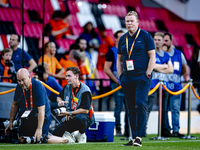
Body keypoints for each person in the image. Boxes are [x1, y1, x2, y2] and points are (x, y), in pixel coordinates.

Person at [117, 11, 156, 147]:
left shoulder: (145, 36)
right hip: (127, 77)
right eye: (127, 21)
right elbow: (119, 58)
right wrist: (120, 75)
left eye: (132, 21)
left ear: (137, 22)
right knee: (130, 108)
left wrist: (148, 73)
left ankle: (139, 136)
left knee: (140, 104)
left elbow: (152, 56)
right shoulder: (122, 38)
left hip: (141, 76)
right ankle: (133, 137)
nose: (129, 23)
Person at [5, 68, 51, 143]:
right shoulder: (19, 87)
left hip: (42, 117)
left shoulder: (38, 87)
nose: (21, 83)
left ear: (29, 77)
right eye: (19, 81)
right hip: (28, 117)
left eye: (23, 80)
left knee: (40, 140)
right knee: (21, 140)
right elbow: (14, 105)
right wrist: (11, 122)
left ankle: (65, 139)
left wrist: (39, 128)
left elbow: (41, 111)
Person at [52, 67, 95, 143]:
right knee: (55, 134)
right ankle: (69, 135)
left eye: (69, 76)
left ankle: (81, 134)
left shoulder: (85, 90)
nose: (67, 78)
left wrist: (69, 113)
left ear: (76, 76)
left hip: (84, 118)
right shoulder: (67, 87)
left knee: (80, 118)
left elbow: (85, 110)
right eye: (66, 76)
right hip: (70, 116)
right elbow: (59, 97)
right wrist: (60, 102)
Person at [146, 32, 173, 136]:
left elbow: (171, 70)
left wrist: (158, 67)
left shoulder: (166, 55)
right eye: (155, 39)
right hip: (151, 85)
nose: (156, 41)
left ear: (162, 41)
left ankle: (164, 130)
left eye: (159, 40)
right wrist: (164, 66)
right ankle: (143, 129)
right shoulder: (150, 53)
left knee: (164, 109)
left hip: (164, 85)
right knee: (147, 108)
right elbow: (151, 66)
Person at [104, 30, 129, 137]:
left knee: (128, 107)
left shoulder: (128, 51)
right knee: (118, 107)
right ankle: (118, 129)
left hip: (128, 84)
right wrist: (116, 81)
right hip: (117, 85)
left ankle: (128, 129)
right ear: (115, 38)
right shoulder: (111, 52)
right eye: (119, 37)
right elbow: (106, 69)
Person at [163, 32, 187, 137]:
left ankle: (176, 130)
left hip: (176, 87)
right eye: (163, 40)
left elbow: (184, 68)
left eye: (166, 40)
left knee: (175, 109)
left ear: (171, 41)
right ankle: (166, 129)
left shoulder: (179, 54)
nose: (164, 43)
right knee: (164, 110)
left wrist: (175, 78)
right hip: (164, 87)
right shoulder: (160, 54)